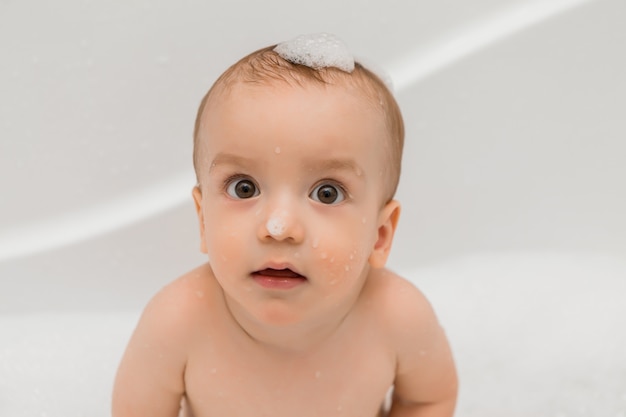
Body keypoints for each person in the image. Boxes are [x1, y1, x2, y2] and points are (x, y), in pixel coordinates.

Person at [112, 33, 458, 417]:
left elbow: (427, 399)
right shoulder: (177, 321)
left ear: (380, 235)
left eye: (327, 193)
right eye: (244, 188)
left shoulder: (398, 316)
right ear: (203, 220)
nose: (279, 227)